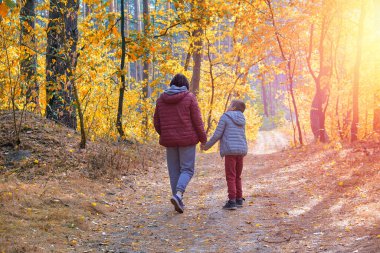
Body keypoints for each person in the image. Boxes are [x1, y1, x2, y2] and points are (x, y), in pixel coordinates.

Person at [154, 74, 207, 213]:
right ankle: (178, 195)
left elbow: (156, 123)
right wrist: (203, 139)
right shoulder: (189, 97)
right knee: (187, 169)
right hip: (187, 140)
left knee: (174, 171)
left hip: (170, 141)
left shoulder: (161, 99)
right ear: (185, 85)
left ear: (171, 84)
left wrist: (166, 134)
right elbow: (197, 121)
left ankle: (178, 199)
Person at [201, 100, 248, 210]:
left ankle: (232, 201)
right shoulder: (242, 118)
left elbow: (217, 135)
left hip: (230, 150)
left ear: (234, 107)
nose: (228, 106)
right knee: (237, 176)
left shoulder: (225, 117)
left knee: (231, 176)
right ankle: (239, 199)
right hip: (241, 150)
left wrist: (206, 146)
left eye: (230, 104)